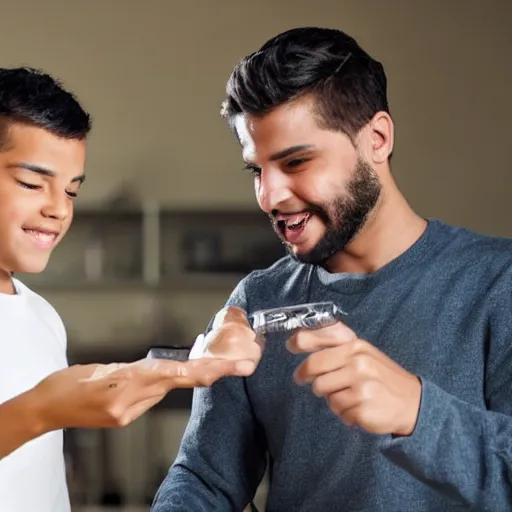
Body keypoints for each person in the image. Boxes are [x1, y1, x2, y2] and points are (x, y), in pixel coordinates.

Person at [151, 26, 512, 512]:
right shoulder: (257, 302)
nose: (269, 196)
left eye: (296, 162)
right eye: (257, 170)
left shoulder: (497, 284)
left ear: (377, 139)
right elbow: (204, 480)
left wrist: (417, 412)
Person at [0, 67, 256, 512]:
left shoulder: (43, 317)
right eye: (31, 183)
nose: (58, 210)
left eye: (72, 192)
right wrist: (39, 411)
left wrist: (197, 362)